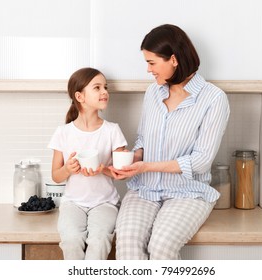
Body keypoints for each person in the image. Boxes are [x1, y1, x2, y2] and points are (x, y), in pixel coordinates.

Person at [109, 24, 230, 260]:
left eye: (152, 63)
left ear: (173, 59)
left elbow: (201, 161)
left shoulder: (214, 99)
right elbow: (144, 139)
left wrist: (146, 166)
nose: (147, 69)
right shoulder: (152, 93)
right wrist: (132, 161)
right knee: (127, 242)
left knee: (161, 246)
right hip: (144, 189)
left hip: (187, 192)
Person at [48, 67, 128, 260]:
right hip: (73, 204)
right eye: (97, 87)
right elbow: (56, 176)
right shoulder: (63, 132)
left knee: (99, 240)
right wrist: (68, 169)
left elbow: (123, 171)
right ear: (80, 96)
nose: (105, 92)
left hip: (105, 203)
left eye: (105, 87)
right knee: (71, 241)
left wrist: (103, 169)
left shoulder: (112, 131)